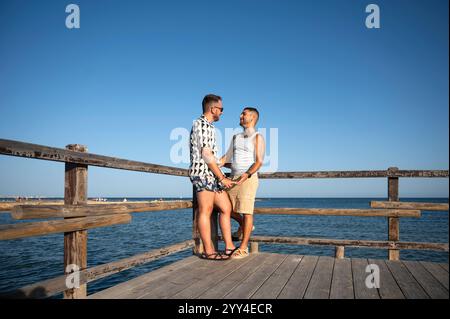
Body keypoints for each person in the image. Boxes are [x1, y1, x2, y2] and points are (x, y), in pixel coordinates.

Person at [189, 94, 237, 260]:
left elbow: (214, 158)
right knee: (206, 211)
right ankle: (209, 251)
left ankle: (229, 247)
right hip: (203, 174)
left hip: (213, 175)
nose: (222, 112)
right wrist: (222, 178)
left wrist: (231, 163)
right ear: (213, 109)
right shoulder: (200, 124)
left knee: (226, 208)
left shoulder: (210, 127)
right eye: (221, 109)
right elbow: (206, 154)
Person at [220, 107, 265, 259]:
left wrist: (247, 174)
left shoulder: (258, 137)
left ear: (252, 118)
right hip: (232, 178)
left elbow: (259, 162)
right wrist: (211, 161)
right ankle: (244, 226)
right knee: (224, 207)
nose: (240, 115)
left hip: (248, 179)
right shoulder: (236, 137)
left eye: (243, 114)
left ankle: (243, 248)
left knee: (246, 211)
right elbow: (226, 159)